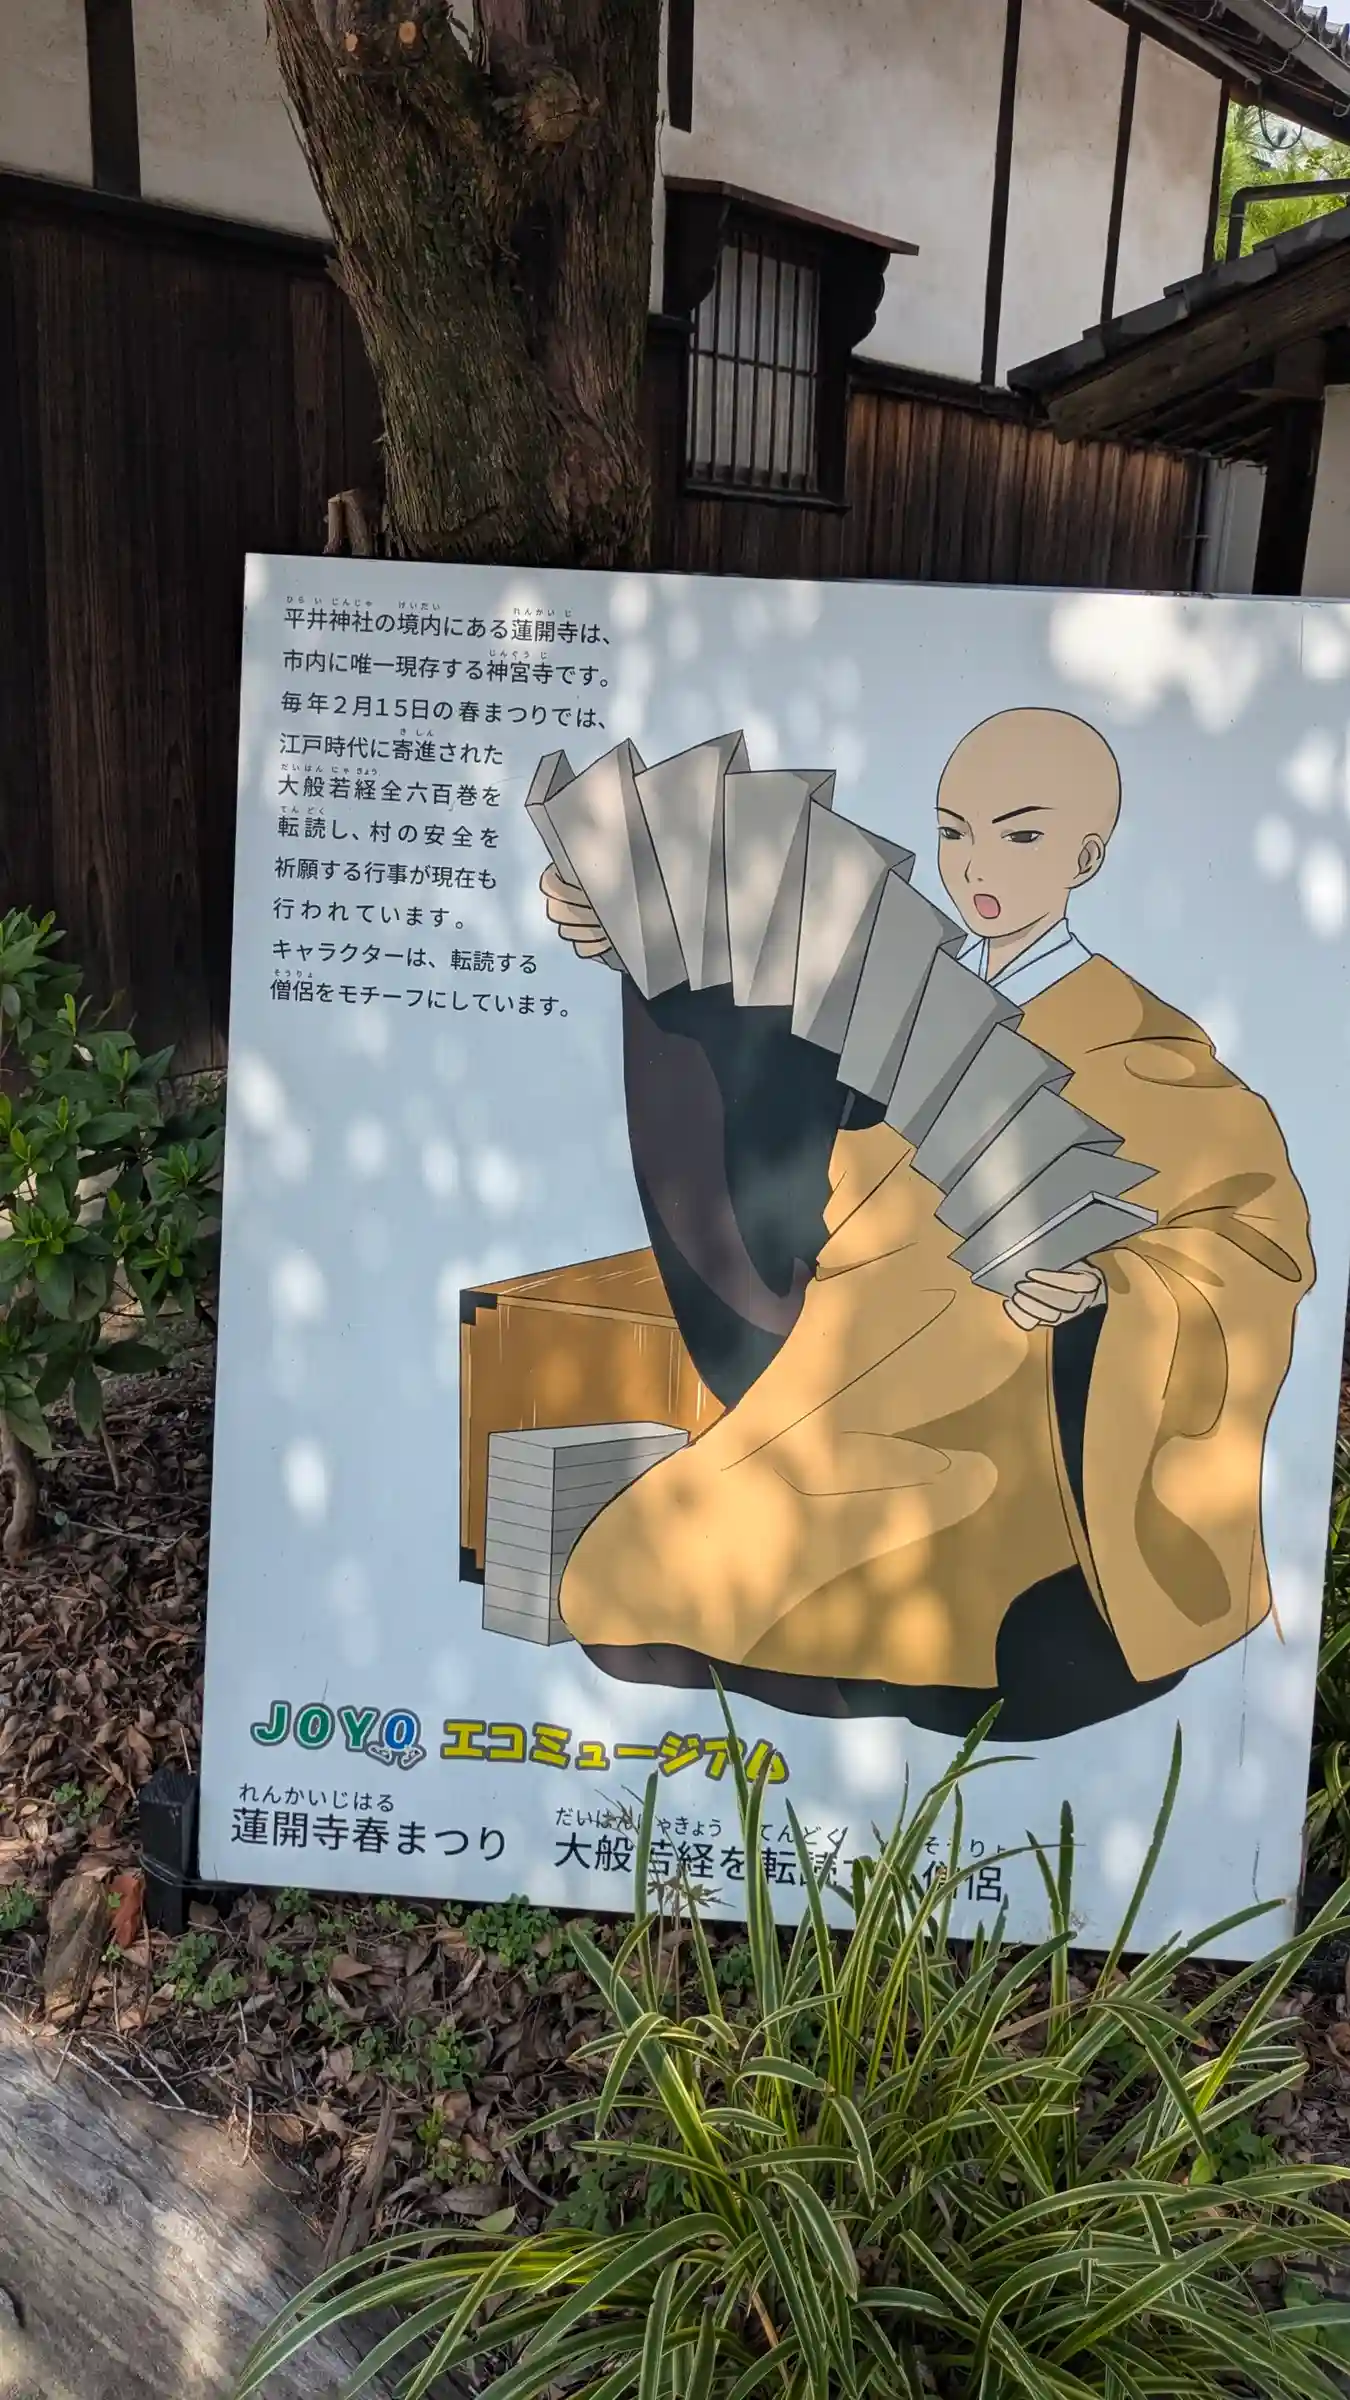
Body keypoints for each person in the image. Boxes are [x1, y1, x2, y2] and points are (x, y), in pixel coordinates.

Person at [537, 708, 1314, 1740]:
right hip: (841, 1391)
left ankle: (1018, 1626)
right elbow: (768, 1087)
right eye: (955, 832)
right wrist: (648, 946)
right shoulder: (895, 986)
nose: (978, 866)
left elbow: (1251, 1239)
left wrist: (1111, 1290)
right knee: (618, 1575)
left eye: (1021, 835)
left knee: (923, 1603)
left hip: (1016, 1432)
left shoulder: (1145, 1044)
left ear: (1086, 856)